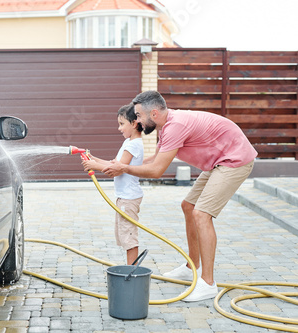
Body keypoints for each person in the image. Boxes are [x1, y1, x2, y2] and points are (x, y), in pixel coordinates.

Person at [102, 91, 257, 302]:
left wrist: (124, 168)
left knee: (201, 214)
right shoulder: (166, 126)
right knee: (188, 206)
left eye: (138, 115)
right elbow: (155, 158)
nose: (136, 120)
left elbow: (157, 171)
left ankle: (208, 283)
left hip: (234, 160)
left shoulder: (175, 126)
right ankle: (192, 266)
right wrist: (120, 166)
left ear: (154, 113)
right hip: (218, 162)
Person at [82, 103, 144, 265]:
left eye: (122, 124)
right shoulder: (128, 143)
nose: (119, 128)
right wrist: (93, 158)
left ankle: (132, 272)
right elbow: (114, 164)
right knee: (124, 235)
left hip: (129, 199)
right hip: (124, 198)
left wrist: (94, 166)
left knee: (129, 236)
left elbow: (118, 170)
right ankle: (130, 268)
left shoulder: (133, 145)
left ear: (134, 123)